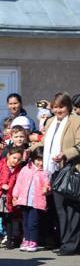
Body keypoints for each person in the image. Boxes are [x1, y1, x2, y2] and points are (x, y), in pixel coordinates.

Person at [42, 93, 80, 255]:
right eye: (55, 107)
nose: (58, 110)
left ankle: (72, 245)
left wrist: (65, 153)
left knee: (72, 210)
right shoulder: (51, 122)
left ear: (68, 107)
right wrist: (29, 149)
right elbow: (45, 142)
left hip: (71, 170)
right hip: (55, 171)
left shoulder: (76, 121)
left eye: (61, 107)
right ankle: (65, 242)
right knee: (60, 209)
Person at [12, 147, 50, 252]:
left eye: (42, 160)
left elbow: (47, 184)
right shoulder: (26, 169)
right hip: (24, 201)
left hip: (36, 202)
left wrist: (46, 188)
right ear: (33, 158)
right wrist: (15, 195)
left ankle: (33, 241)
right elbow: (19, 183)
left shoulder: (45, 172)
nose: (40, 163)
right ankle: (26, 239)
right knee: (25, 222)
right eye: (38, 160)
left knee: (33, 223)